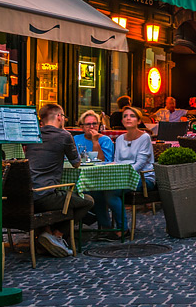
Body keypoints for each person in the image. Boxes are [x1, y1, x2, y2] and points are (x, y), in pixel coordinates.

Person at [31, 104, 94, 258]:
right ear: (59, 116)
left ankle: (45, 235)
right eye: (64, 116)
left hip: (27, 196)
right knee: (88, 201)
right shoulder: (63, 135)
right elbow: (76, 163)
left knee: (51, 201)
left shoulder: (33, 134)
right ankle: (57, 236)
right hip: (45, 196)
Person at [96, 107, 156, 239]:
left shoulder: (144, 137)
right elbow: (116, 161)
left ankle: (123, 229)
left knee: (111, 192)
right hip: (122, 177)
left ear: (139, 120)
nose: (128, 118)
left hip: (143, 178)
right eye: (125, 116)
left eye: (132, 116)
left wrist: (122, 174)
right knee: (96, 189)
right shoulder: (120, 139)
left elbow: (140, 164)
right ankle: (106, 228)